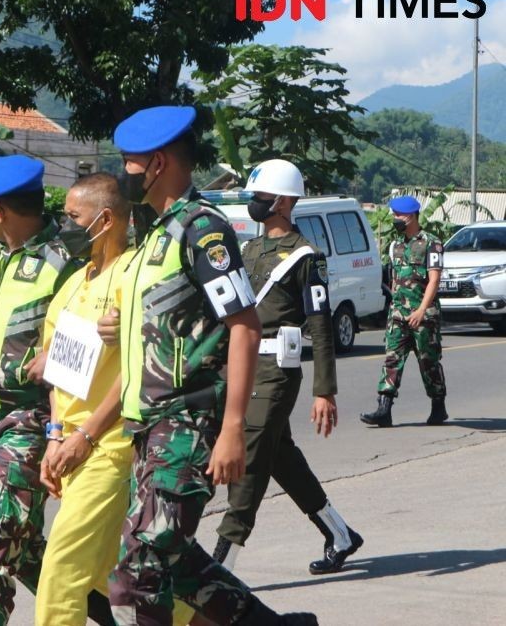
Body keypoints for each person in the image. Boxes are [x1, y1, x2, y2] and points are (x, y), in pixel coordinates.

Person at [102, 106, 316, 625]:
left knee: (139, 572)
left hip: (186, 425)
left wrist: (232, 430)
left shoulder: (203, 231)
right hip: (149, 428)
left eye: (129, 163)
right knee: (175, 560)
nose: (122, 173)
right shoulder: (157, 234)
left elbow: (244, 324)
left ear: (157, 164)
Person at [0, 155, 113, 626]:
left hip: (31, 421)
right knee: (25, 553)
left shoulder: (65, 260)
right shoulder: (2, 252)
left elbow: (98, 325)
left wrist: (60, 352)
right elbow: (6, 306)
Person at [211, 160, 362, 576]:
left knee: (252, 461)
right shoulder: (250, 250)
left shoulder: (305, 256)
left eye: (260, 198)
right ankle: (340, 534)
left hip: (277, 370)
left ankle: (220, 570)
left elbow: (321, 324)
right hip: (243, 366)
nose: (254, 205)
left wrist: (324, 389)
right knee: (280, 457)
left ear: (284, 201)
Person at [35, 173, 135, 626]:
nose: (65, 226)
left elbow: (135, 372)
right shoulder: (73, 284)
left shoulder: (130, 277)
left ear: (106, 219)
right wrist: (55, 437)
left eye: (73, 217)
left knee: (60, 576)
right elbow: (59, 373)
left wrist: (86, 436)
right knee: (115, 576)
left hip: (109, 449)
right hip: (71, 449)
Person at [361, 196, 447, 428]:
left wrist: (421, 310)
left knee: (428, 362)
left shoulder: (432, 243)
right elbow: (394, 279)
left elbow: (434, 280)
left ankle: (438, 406)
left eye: (398, 215)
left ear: (410, 216)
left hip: (424, 316)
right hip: (398, 315)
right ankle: (384, 408)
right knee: (392, 359)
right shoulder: (395, 245)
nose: (395, 219)